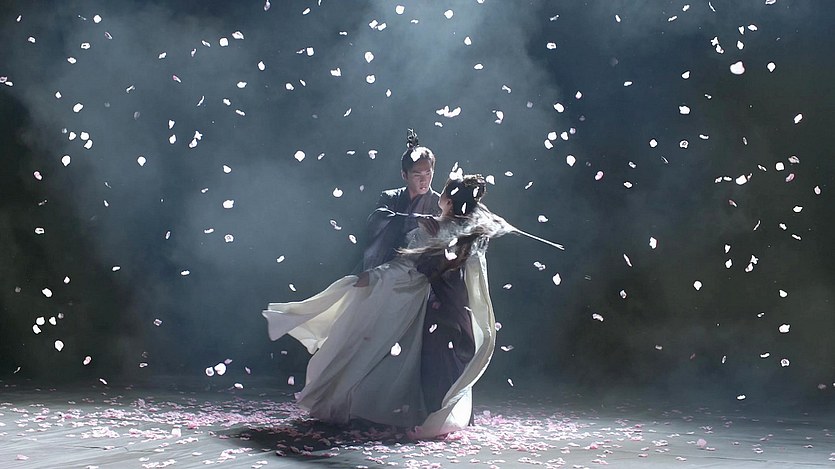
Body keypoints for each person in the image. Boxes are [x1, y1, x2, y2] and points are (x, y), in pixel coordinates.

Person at [263, 172, 515, 438]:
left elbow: (406, 267)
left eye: (443, 192)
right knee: (447, 364)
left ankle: (428, 417)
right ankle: (443, 417)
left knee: (428, 362)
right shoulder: (473, 234)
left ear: (449, 202)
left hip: (436, 308)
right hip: (457, 308)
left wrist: (373, 276)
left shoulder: (436, 230)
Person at [361, 129, 441, 271]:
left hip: (421, 272)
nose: (424, 180)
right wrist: (416, 220)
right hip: (385, 266)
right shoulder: (391, 197)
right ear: (404, 175)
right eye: (417, 175)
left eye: (428, 173)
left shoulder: (439, 203)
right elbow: (376, 221)